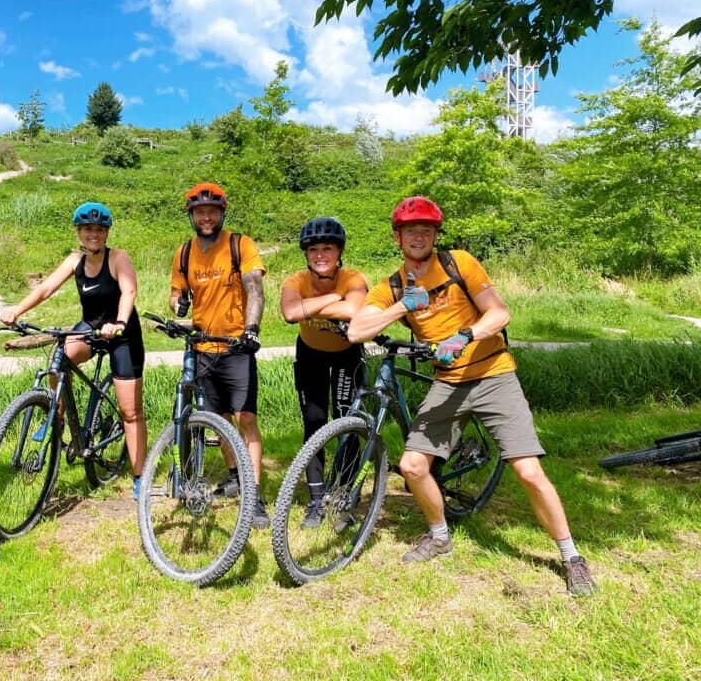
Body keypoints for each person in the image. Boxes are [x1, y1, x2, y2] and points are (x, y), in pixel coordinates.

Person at [347, 196, 597, 596]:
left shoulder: (458, 263)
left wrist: (465, 335)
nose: (419, 236)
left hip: (493, 373)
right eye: (411, 230)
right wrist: (401, 307)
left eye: (426, 229)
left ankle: (571, 557)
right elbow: (356, 331)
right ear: (398, 237)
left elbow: (499, 313)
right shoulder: (392, 285)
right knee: (412, 466)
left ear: (435, 235)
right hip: (448, 382)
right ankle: (439, 535)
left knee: (528, 471)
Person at [0, 202, 146, 498]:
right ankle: (57, 414)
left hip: (121, 334)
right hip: (90, 327)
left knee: (130, 412)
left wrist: (118, 321)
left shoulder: (118, 257)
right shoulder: (75, 260)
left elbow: (129, 291)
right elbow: (46, 289)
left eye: (99, 229)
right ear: (78, 232)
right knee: (60, 358)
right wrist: (17, 309)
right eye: (88, 229)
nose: (94, 234)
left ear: (106, 233)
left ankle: (140, 476)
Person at [169, 182, 269, 528]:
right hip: (202, 349)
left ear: (222, 213)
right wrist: (178, 303)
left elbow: (254, 287)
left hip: (236, 347)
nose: (207, 217)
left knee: (245, 419)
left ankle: (254, 495)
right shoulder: (184, 253)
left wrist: (251, 329)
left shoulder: (240, 245)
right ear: (192, 216)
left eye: (212, 211)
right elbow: (176, 293)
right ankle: (234, 475)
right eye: (200, 212)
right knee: (219, 421)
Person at [280, 217, 368, 528]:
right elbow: (290, 312)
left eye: (327, 249)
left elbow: (354, 310)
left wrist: (311, 305)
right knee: (314, 425)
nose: (320, 255)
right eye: (314, 249)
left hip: (347, 356)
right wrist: (332, 298)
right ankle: (316, 501)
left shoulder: (354, 278)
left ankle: (344, 495)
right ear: (305, 253)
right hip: (311, 355)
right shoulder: (295, 281)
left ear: (339, 251)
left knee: (348, 424)